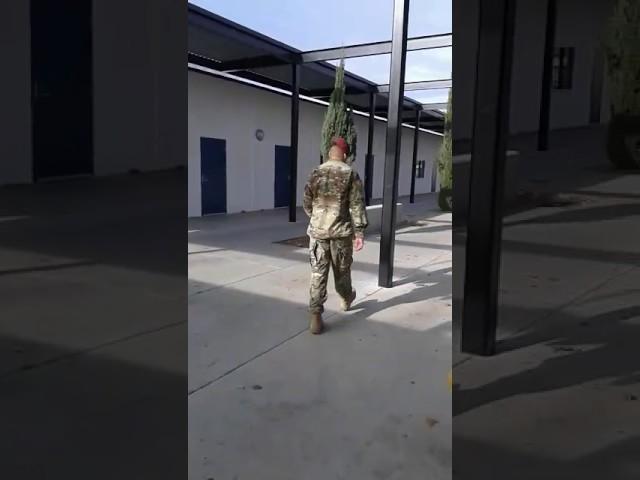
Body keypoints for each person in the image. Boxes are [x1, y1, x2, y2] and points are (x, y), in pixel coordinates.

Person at [302, 137, 368, 334]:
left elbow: (306, 202)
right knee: (342, 272)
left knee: (318, 274)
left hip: (318, 233)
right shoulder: (350, 174)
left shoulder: (315, 173)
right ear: (345, 155)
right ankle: (346, 298)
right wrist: (360, 232)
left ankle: (315, 317)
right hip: (340, 233)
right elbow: (357, 205)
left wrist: (316, 220)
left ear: (329, 154)